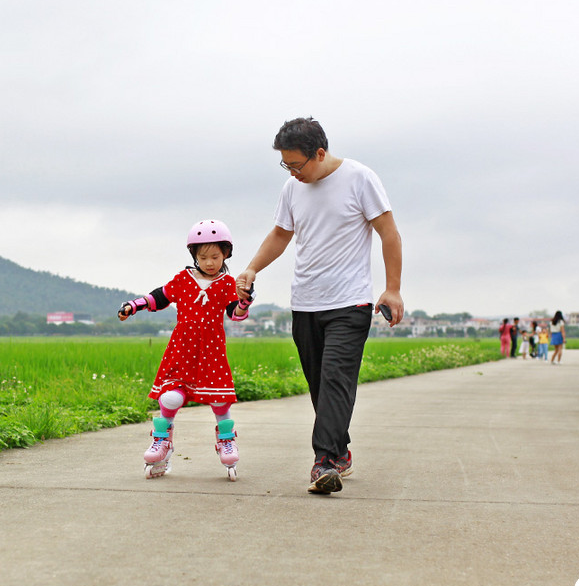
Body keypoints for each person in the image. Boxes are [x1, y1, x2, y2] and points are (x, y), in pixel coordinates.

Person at [234, 117, 403, 495]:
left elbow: (388, 232)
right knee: (319, 386)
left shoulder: (360, 178)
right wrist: (251, 269)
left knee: (334, 381)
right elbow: (281, 234)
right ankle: (339, 450)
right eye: (285, 165)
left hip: (350, 302)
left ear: (320, 153)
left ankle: (324, 462)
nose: (292, 173)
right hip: (306, 303)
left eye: (297, 164)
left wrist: (392, 289)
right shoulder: (292, 189)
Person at [118, 219, 254, 481]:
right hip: (181, 350)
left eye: (215, 256)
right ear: (194, 256)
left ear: (226, 254)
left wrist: (245, 301)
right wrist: (133, 306)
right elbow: (158, 297)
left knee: (219, 400)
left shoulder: (228, 284)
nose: (210, 262)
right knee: (170, 398)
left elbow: (235, 314)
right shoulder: (184, 279)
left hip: (211, 351)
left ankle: (226, 441)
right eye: (203, 257)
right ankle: (162, 441)